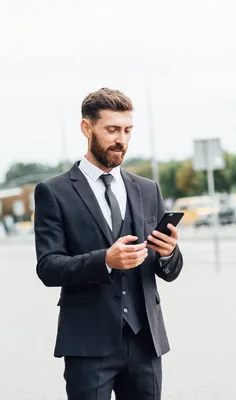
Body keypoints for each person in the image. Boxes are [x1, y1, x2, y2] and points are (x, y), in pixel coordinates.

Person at [34, 88, 184, 400]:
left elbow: (167, 269)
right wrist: (105, 260)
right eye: (112, 130)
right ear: (86, 128)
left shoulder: (147, 189)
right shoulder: (53, 192)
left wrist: (169, 254)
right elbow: (48, 267)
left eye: (127, 130)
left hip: (145, 341)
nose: (122, 140)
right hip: (88, 344)